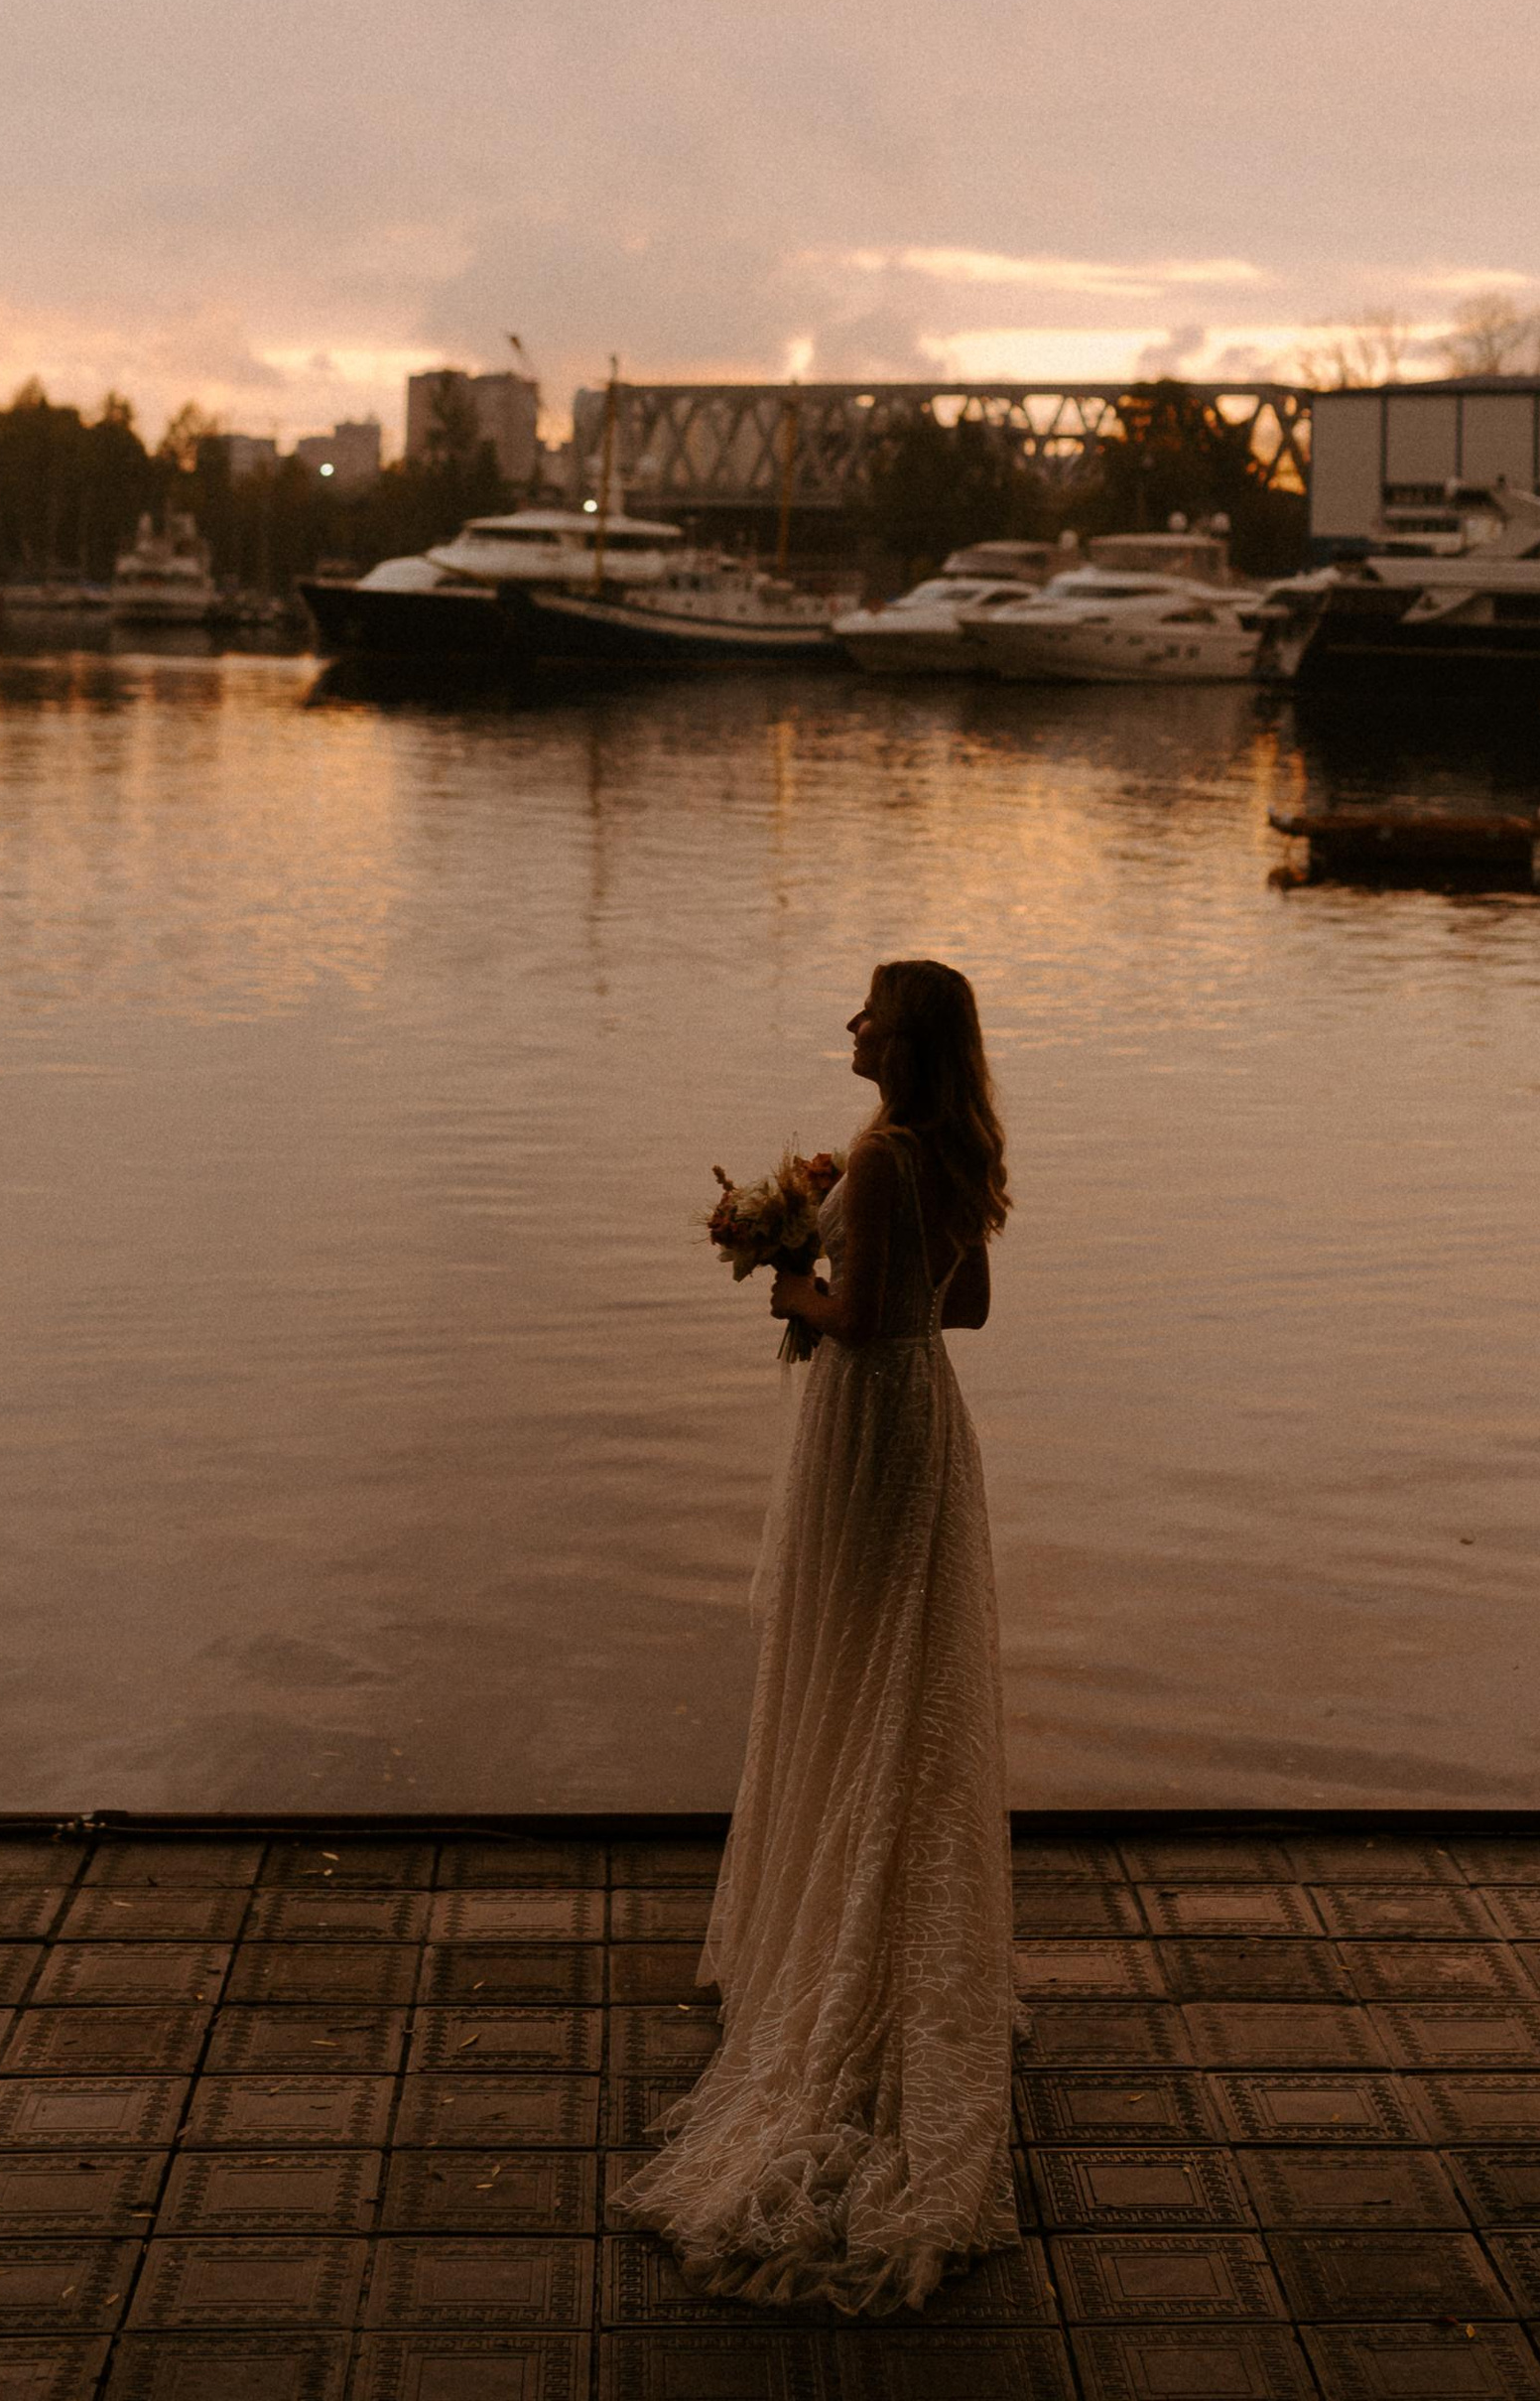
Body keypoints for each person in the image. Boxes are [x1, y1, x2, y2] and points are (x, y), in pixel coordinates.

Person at [615, 956, 1017, 2316]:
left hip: (867, 1423)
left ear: (903, 1041)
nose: (849, 1026)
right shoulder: (950, 1154)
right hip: (927, 1423)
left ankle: (845, 1962)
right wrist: (813, 1241)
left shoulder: (888, 1157)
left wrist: (797, 1286)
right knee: (895, 1683)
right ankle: (886, 1924)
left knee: (852, 1672)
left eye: (867, 1014)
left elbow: (873, 1316)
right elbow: (956, 1313)